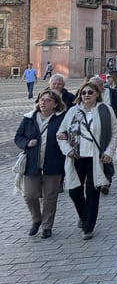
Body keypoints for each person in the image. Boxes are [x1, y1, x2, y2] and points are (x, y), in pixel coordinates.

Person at [56, 80, 117, 240]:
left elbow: (115, 133)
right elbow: (60, 134)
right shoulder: (72, 112)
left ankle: (88, 227)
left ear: (97, 94)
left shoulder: (105, 110)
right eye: (83, 93)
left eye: (90, 92)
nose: (86, 96)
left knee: (93, 191)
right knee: (74, 191)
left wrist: (109, 152)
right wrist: (68, 149)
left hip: (95, 157)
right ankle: (84, 216)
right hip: (77, 156)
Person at [14, 88, 67, 238]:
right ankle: (36, 219)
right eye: (42, 99)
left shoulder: (61, 119)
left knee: (50, 196)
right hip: (32, 163)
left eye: (48, 100)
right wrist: (27, 143)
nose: (43, 102)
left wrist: (65, 136)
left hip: (53, 163)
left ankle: (47, 226)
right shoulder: (29, 118)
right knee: (29, 195)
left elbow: (70, 133)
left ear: (55, 104)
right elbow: (18, 136)